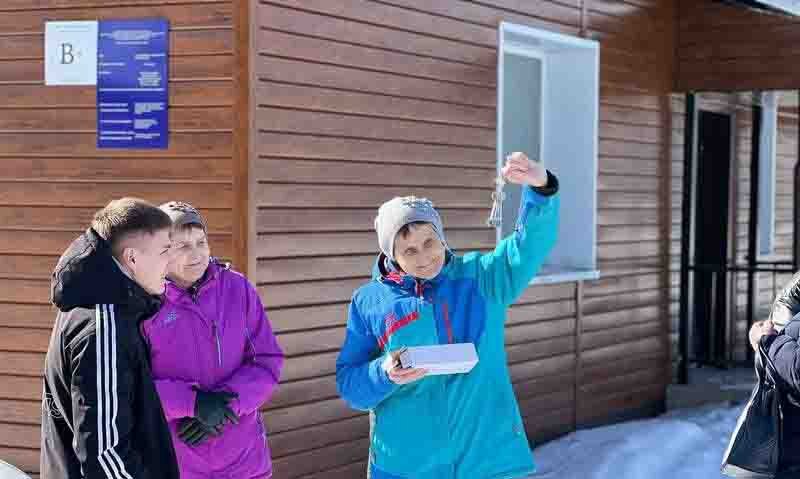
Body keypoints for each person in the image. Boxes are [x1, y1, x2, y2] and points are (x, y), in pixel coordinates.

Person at [336, 152, 560, 479]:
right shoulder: (370, 303)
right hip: (406, 467)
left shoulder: (482, 279)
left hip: (486, 461)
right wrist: (384, 372)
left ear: (441, 237)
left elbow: (528, 246)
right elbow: (350, 384)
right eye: (409, 250)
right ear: (392, 256)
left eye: (429, 242)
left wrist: (541, 188)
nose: (424, 256)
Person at [140, 201, 284, 479]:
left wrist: (224, 405)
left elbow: (267, 361)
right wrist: (193, 404)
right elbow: (132, 385)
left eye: (201, 242)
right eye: (183, 246)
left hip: (244, 461)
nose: (196, 254)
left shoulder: (237, 289)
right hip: (177, 463)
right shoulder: (144, 303)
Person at [41, 198, 180, 479]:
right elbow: (106, 455)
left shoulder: (102, 303)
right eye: (165, 250)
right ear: (132, 258)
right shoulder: (103, 327)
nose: (171, 262)